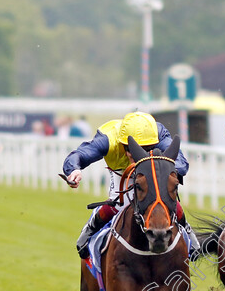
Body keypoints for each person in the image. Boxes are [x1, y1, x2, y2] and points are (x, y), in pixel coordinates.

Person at [62, 111, 199, 259]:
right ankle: (90, 228)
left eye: (146, 149)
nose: (140, 154)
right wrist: (74, 169)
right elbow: (79, 155)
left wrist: (166, 172)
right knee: (120, 203)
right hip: (121, 171)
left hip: (151, 169)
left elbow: (181, 164)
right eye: (134, 150)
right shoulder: (107, 139)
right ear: (123, 145)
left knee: (163, 195)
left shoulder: (157, 133)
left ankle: (187, 229)